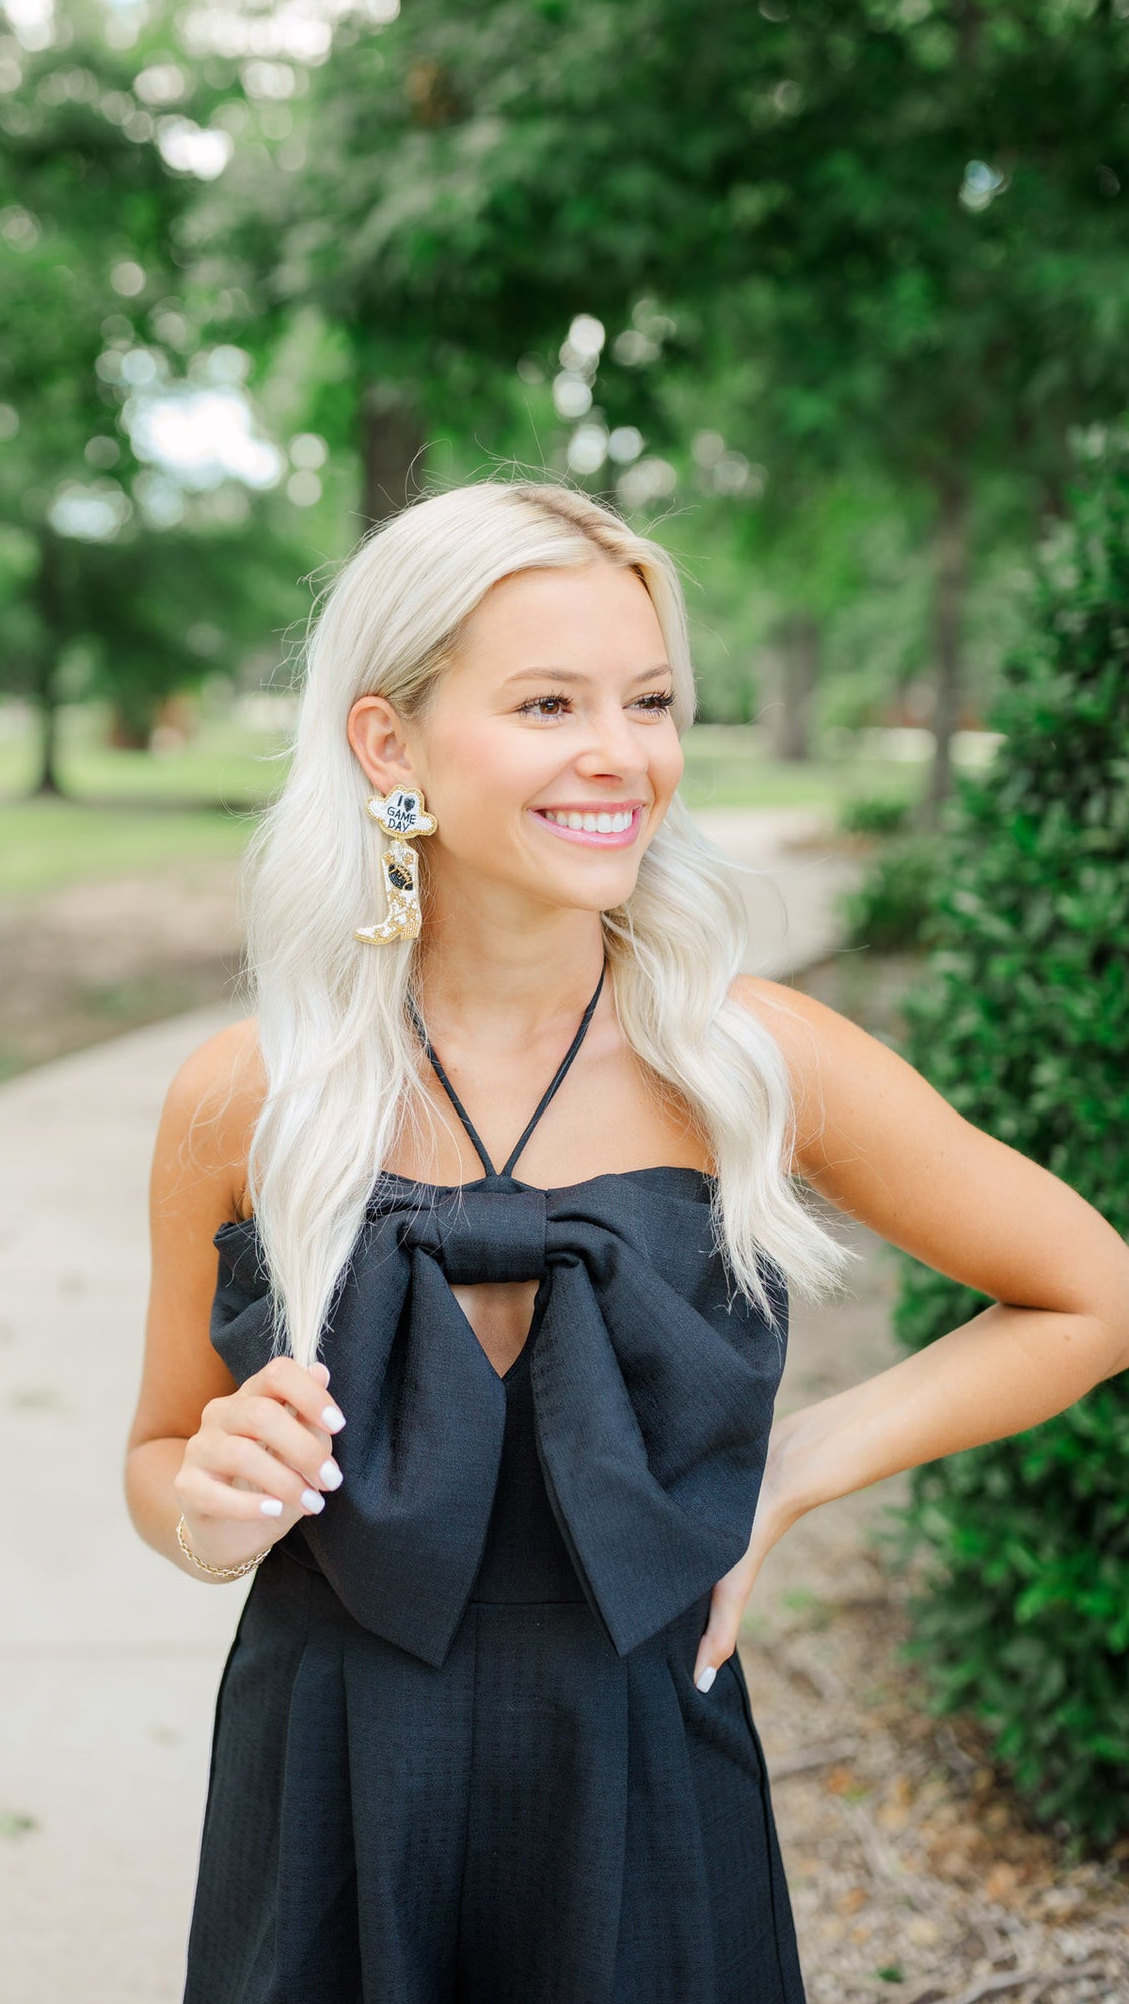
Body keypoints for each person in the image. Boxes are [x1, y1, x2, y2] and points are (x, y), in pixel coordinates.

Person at [124, 479, 1129, 2004]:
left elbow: (1091, 1296)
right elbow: (158, 1455)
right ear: (388, 745)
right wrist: (209, 1506)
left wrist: (788, 1474)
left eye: (649, 700)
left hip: (640, 1777)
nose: (621, 754)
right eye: (547, 702)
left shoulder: (751, 1062)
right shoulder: (246, 1099)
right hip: (329, 1782)